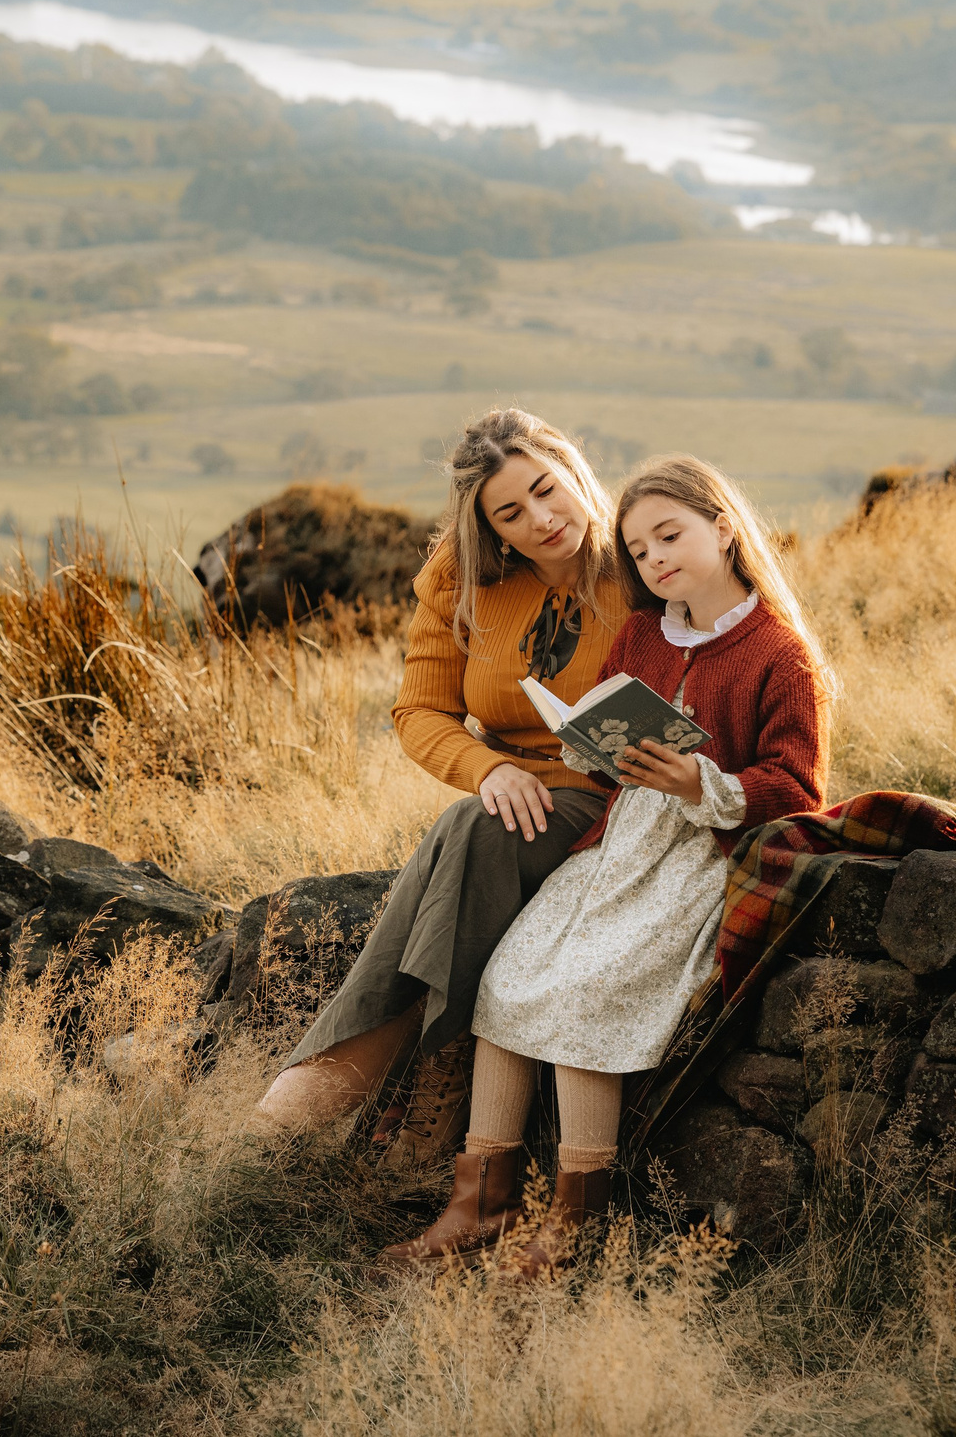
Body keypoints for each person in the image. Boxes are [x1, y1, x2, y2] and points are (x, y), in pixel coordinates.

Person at [383, 453, 834, 1275]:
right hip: (617, 844)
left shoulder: (780, 653)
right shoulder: (642, 632)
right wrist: (591, 744)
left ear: (725, 529)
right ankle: (477, 1204)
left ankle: (571, 1223)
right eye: (640, 549)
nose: (657, 559)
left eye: (672, 536)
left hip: (697, 857)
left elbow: (799, 784)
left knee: (590, 987)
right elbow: (603, 760)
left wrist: (704, 780)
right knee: (513, 972)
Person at [248, 409, 634, 1140]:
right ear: (488, 528)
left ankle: (314, 1092)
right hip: (508, 798)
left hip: (612, 800)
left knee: (467, 830)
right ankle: (353, 1087)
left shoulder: (643, 563)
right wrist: (486, 768)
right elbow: (420, 711)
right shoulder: (461, 577)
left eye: (549, 490)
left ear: (575, 469)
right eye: (511, 514)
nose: (543, 520)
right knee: (473, 823)